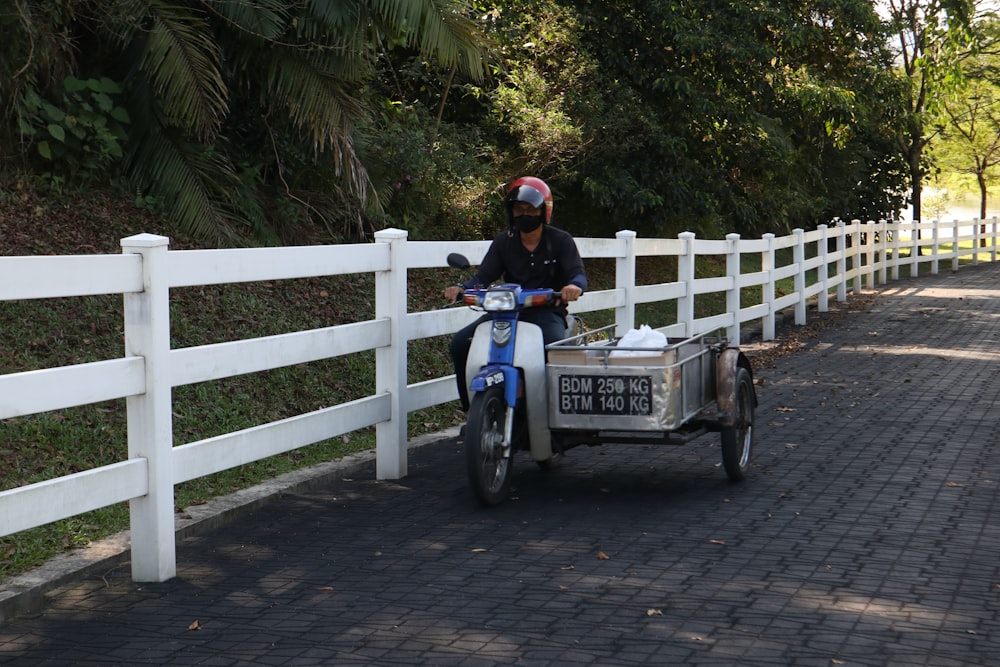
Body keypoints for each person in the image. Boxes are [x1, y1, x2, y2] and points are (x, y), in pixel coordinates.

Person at [444, 176, 588, 411]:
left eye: (531, 209)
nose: (525, 215)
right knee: (461, 343)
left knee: (554, 350)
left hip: (546, 311)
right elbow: (483, 277)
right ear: (511, 212)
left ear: (544, 212)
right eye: (519, 209)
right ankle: (472, 411)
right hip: (506, 314)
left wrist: (574, 287)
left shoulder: (560, 240)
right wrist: (462, 288)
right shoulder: (504, 242)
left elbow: (577, 274)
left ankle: (556, 413)